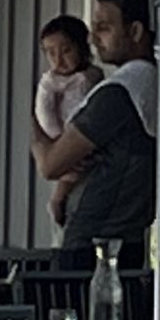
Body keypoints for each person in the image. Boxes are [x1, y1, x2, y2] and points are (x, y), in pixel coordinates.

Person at [33, 0, 156, 252]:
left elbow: (50, 165)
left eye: (103, 28)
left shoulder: (120, 93)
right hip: (124, 239)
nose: (92, 38)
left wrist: (32, 127)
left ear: (135, 31)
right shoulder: (149, 82)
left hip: (96, 244)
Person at [32, 14, 97, 230]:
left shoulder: (93, 76)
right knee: (68, 180)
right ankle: (57, 204)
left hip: (89, 140)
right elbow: (44, 113)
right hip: (62, 138)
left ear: (82, 48)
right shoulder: (51, 83)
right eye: (51, 53)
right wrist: (60, 139)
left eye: (66, 51)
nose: (59, 60)